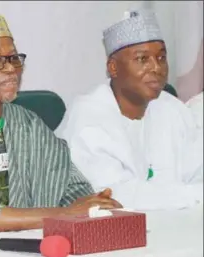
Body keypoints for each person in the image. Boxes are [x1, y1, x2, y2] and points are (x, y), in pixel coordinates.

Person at [0, 14, 121, 235]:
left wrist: (92, 204)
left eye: (14, 58)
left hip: (36, 250)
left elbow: (68, 185)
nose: (10, 69)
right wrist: (62, 214)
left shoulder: (27, 122)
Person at [57, 10, 204, 211]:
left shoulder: (170, 108)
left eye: (161, 57)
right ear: (113, 68)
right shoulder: (89, 119)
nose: (156, 68)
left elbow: (197, 169)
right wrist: (192, 195)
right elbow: (115, 197)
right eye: (142, 59)